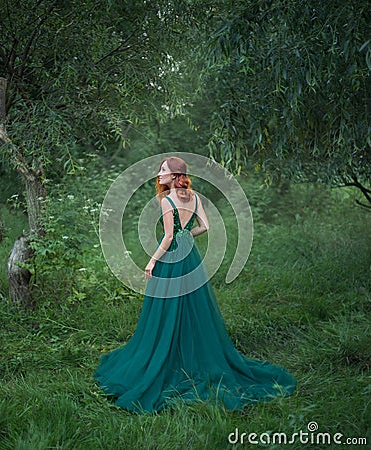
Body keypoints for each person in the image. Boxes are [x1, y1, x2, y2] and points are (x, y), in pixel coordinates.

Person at [93, 156, 297, 414]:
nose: (159, 174)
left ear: (175, 175)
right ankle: (188, 352)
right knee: (191, 306)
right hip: (189, 256)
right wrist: (186, 234)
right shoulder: (196, 198)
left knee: (168, 306)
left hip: (171, 257)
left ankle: (168, 355)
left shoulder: (168, 200)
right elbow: (205, 226)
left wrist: (152, 261)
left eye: (163, 170)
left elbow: (167, 237)